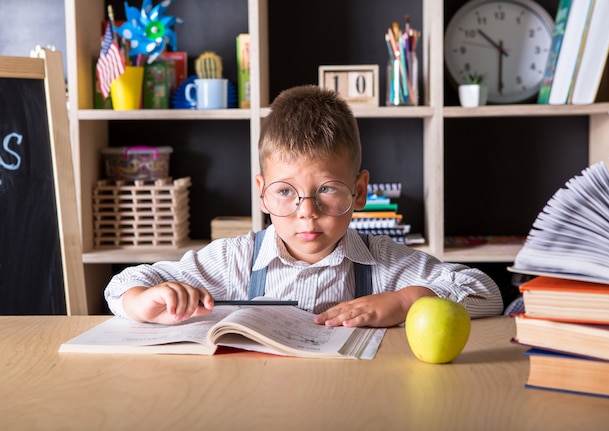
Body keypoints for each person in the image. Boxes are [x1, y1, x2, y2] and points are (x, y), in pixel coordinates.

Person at [104, 85, 503, 327]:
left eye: (328, 189)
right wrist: (143, 300)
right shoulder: (236, 260)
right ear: (262, 192)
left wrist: (405, 301)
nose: (306, 212)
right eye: (285, 192)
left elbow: (486, 292)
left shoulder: (384, 264)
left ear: (360, 191)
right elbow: (119, 286)